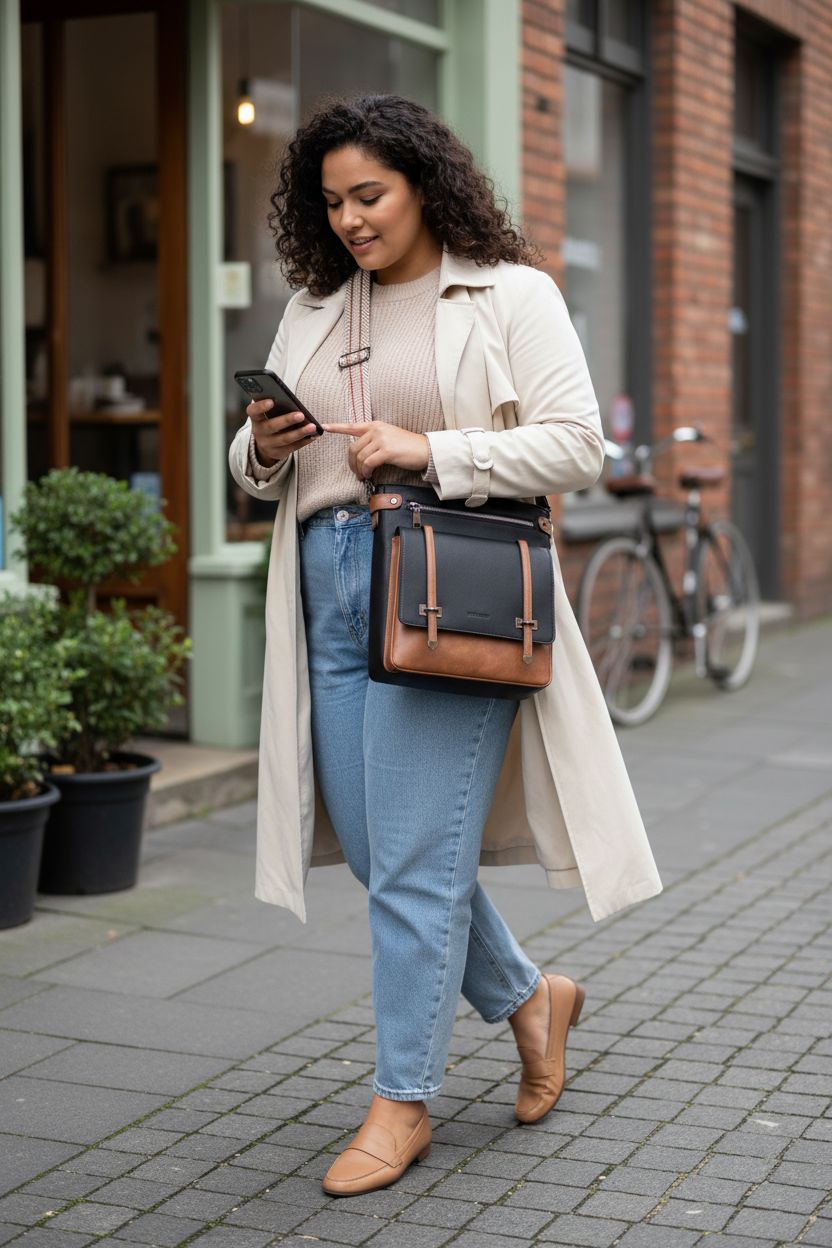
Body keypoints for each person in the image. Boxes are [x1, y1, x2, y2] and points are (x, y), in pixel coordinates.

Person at [228, 94, 661, 1198]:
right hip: (328, 589)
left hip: (439, 587)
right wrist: (263, 447)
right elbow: (251, 468)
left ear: (425, 182)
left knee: (416, 866)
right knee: (381, 853)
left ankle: (402, 1101)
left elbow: (575, 446)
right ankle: (529, 999)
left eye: (368, 195)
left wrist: (434, 447)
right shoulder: (318, 303)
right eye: (330, 203)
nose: (350, 221)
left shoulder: (511, 293)